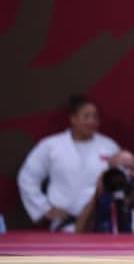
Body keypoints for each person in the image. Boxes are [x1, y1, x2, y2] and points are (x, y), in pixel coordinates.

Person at [17, 94, 120, 232]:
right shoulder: (51, 146)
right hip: (64, 224)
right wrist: (43, 208)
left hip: (100, 223)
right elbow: (27, 177)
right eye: (86, 116)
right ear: (73, 119)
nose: (92, 121)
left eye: (95, 117)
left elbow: (122, 180)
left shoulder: (109, 146)